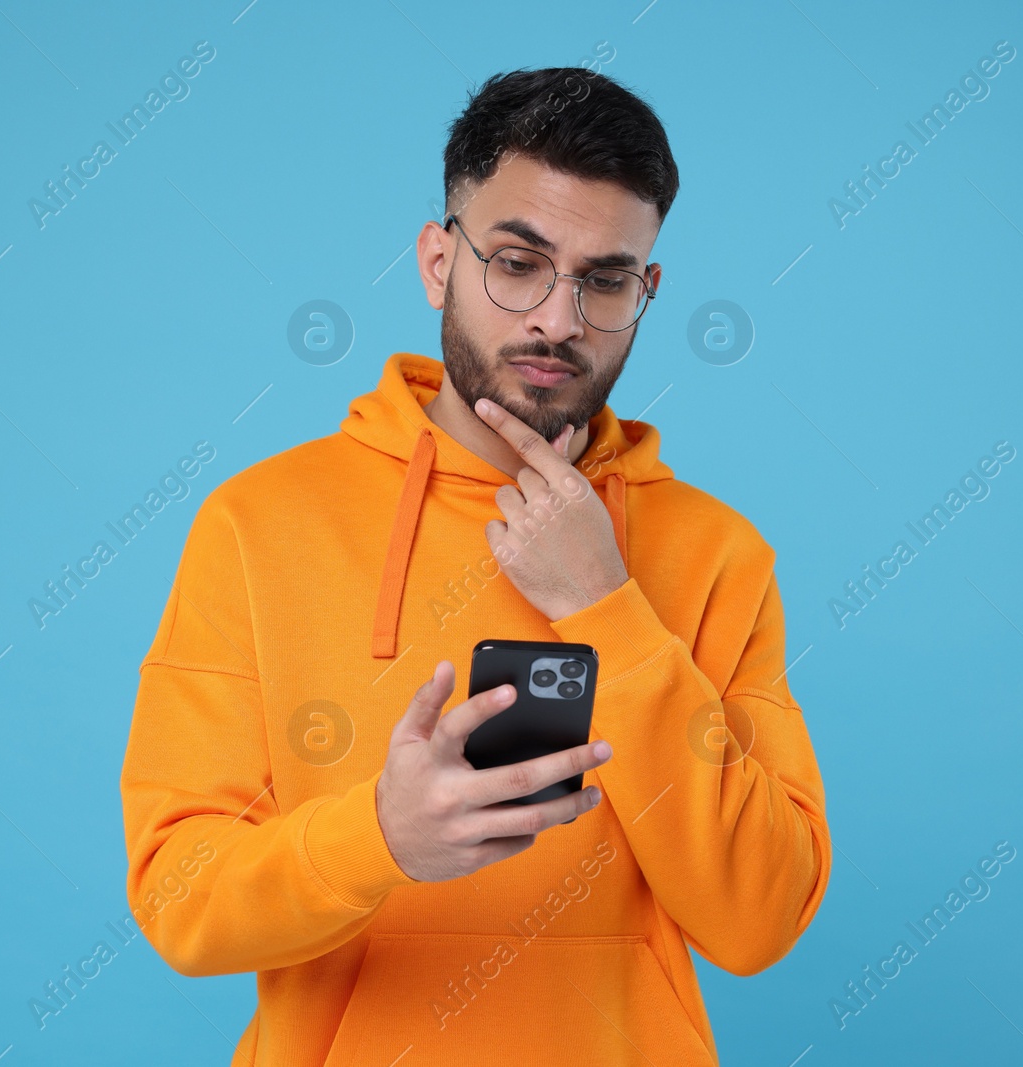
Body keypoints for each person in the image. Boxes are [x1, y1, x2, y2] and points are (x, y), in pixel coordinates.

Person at [120, 65, 832, 1066]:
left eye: (605, 278)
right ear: (435, 261)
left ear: (646, 288)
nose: (556, 318)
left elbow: (760, 918)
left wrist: (607, 608)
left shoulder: (716, 552)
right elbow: (179, 901)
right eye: (516, 262)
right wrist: (380, 838)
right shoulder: (258, 520)